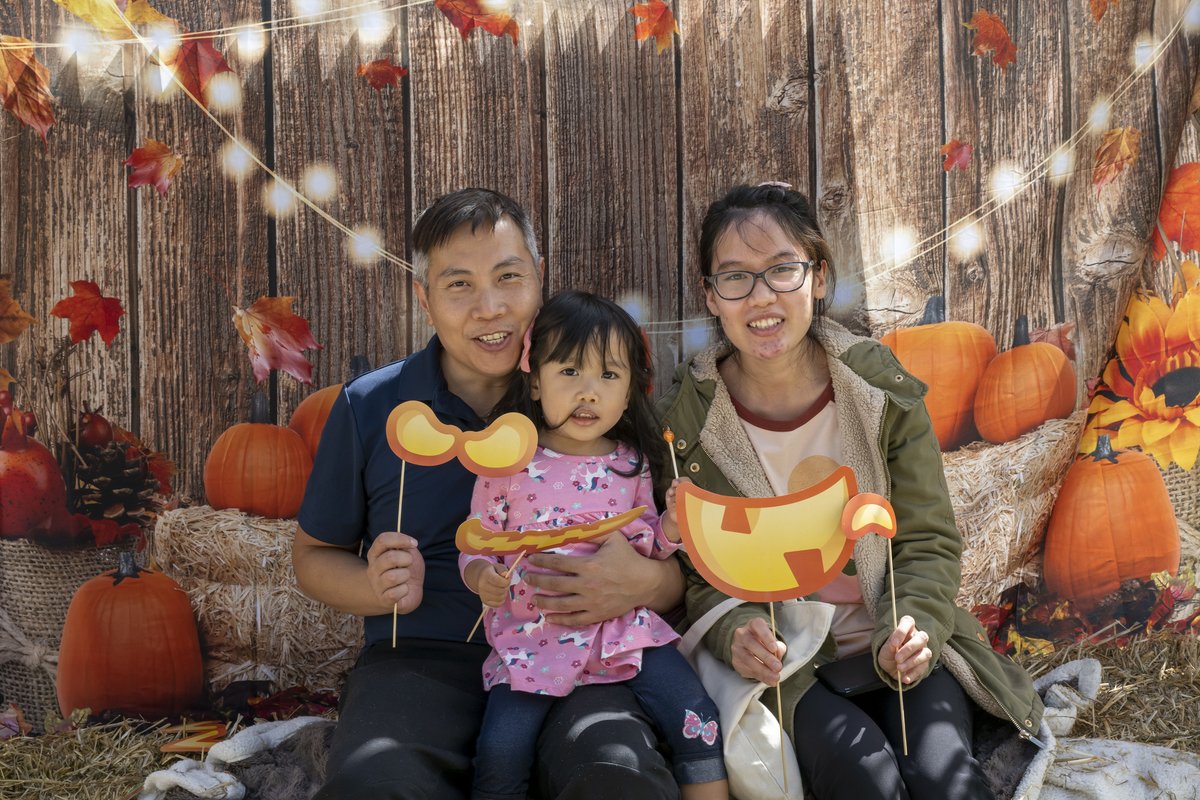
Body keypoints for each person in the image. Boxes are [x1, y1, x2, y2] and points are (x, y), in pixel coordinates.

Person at [655, 183, 1045, 800]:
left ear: (817, 277)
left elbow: (925, 538)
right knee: (863, 779)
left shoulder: (881, 396)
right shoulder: (691, 425)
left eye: (782, 270)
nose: (761, 297)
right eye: (736, 278)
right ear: (712, 296)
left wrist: (909, 627)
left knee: (944, 779)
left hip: (898, 641)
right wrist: (739, 632)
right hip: (795, 666)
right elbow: (705, 568)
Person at [293, 188, 684, 800]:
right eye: (459, 286)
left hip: (580, 655)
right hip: (421, 658)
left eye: (509, 277)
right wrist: (372, 586)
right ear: (424, 298)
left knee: (617, 776)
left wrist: (648, 584)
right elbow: (312, 556)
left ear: (539, 278)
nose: (491, 308)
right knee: (375, 783)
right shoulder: (372, 407)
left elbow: (672, 552)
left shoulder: (603, 408)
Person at [461, 290, 728, 800]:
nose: (589, 392)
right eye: (569, 372)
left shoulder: (631, 462)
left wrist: (673, 525)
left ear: (629, 394)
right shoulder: (508, 464)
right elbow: (477, 542)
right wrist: (482, 578)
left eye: (608, 376)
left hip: (624, 631)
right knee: (500, 749)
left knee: (695, 715)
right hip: (534, 638)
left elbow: (646, 546)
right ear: (535, 381)